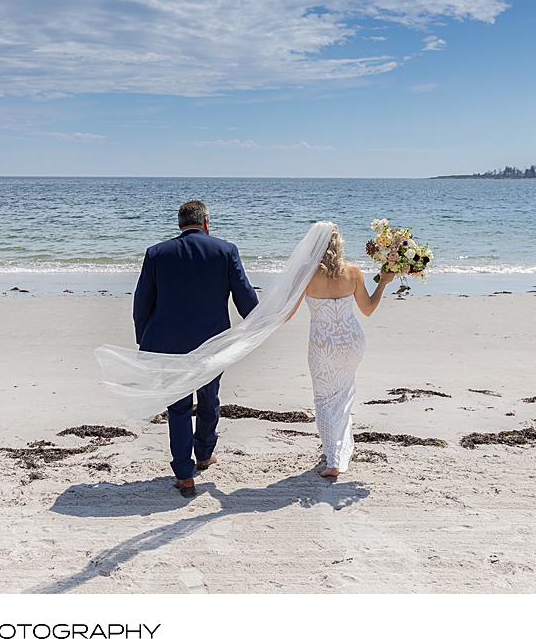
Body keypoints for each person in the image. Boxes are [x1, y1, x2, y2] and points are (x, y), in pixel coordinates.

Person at [133, 200, 259, 497]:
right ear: (206, 222)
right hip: (212, 342)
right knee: (209, 398)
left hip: (168, 343)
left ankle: (184, 475)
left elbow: (142, 302)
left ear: (180, 223)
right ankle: (203, 453)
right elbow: (245, 297)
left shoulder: (157, 253)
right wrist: (259, 324)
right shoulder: (225, 250)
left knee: (177, 407)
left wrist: (145, 338)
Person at [287, 224, 395, 477]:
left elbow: (287, 313)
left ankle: (334, 459)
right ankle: (338, 449)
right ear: (339, 243)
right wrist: (384, 283)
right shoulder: (354, 273)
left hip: (323, 345)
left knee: (324, 400)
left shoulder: (306, 274)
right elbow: (367, 309)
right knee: (344, 394)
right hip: (351, 341)